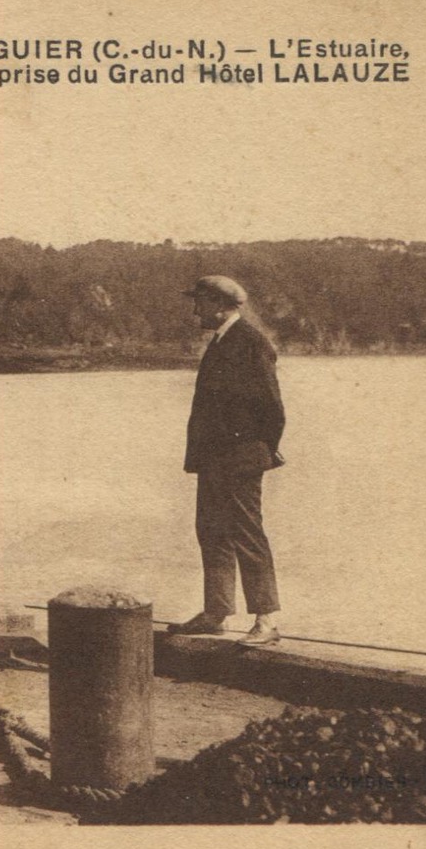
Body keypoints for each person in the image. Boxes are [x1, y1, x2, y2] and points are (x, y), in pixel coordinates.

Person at [168, 275, 287, 647]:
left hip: (239, 459)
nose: (194, 310)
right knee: (212, 531)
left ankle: (266, 620)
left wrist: (258, 450)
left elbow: (272, 408)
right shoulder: (222, 342)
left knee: (247, 534)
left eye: (200, 303)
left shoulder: (251, 342)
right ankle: (216, 612)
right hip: (214, 459)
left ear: (221, 305)